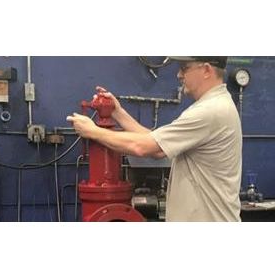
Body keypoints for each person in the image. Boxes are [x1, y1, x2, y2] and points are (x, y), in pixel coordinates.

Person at [67, 57, 242, 222]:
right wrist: (117, 113)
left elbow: (143, 147)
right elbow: (155, 142)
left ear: (206, 70)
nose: (179, 75)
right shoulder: (216, 105)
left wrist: (93, 131)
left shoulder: (210, 111)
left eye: (184, 68)